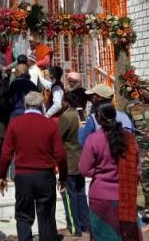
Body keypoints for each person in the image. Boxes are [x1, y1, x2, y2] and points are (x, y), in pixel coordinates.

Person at [0, 91, 67, 241]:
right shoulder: (50, 124)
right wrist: (63, 177)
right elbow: (60, 155)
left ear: (25, 105)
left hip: (23, 176)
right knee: (46, 216)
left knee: (23, 215)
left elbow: (6, 153)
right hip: (45, 176)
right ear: (42, 106)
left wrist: (1, 175)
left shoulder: (15, 123)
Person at [79, 102, 141, 241]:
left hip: (100, 197)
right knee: (125, 236)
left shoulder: (93, 139)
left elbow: (84, 169)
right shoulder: (129, 139)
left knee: (103, 236)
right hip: (125, 196)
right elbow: (137, 170)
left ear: (98, 118)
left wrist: (99, 172)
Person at [126, 78, 149, 232]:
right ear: (140, 91)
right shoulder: (131, 108)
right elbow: (130, 129)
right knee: (148, 186)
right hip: (142, 151)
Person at [58, 90, 89, 237]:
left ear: (67, 102)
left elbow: (57, 137)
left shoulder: (66, 116)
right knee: (81, 194)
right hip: (81, 159)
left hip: (69, 161)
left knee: (69, 195)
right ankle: (85, 224)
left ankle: (74, 226)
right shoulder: (81, 114)